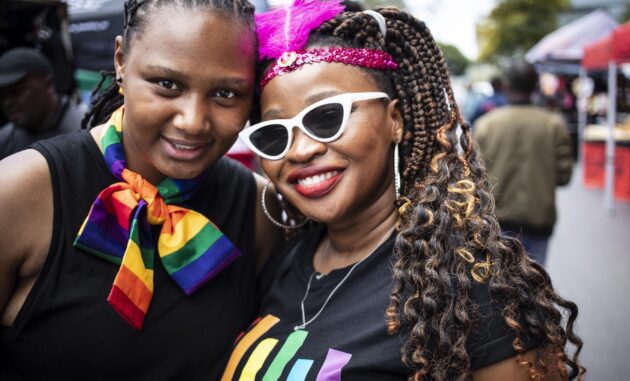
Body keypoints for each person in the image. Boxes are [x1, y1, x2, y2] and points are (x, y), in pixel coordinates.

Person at [224, 2, 584, 380]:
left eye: (327, 117)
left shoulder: (472, 289)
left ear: (394, 120)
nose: (300, 150)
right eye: (273, 134)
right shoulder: (285, 256)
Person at [0, 0, 282, 379]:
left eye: (226, 94)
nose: (193, 122)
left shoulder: (258, 210)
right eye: (167, 84)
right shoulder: (20, 192)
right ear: (120, 61)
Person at [474, 61, 573, 265]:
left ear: (506, 85)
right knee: (535, 287)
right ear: (535, 86)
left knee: (499, 288)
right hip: (539, 222)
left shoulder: (485, 125)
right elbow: (564, 177)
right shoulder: (554, 125)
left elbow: (474, 176)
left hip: (496, 223)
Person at [0, 47, 83, 159]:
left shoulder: (84, 132)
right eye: (2, 95)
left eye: (17, 91)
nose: (8, 102)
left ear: (48, 84)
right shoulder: (6, 140)